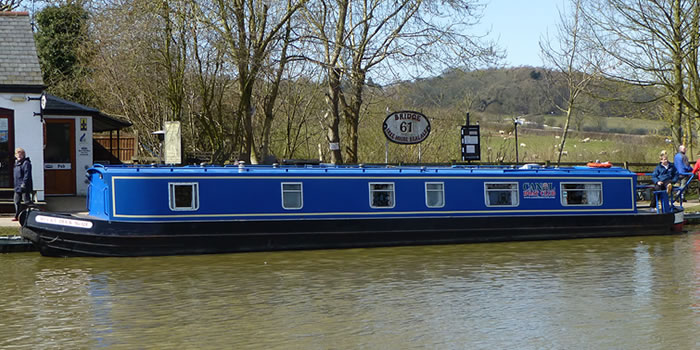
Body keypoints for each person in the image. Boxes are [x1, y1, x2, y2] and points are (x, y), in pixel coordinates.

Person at [13, 147, 33, 221]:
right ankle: (17, 216)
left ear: (23, 155)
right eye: (17, 154)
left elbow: (27, 175)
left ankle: (37, 210)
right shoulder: (16, 164)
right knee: (16, 201)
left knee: (27, 201)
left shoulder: (26, 163)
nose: (19, 155)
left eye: (21, 154)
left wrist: (24, 183)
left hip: (24, 186)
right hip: (17, 186)